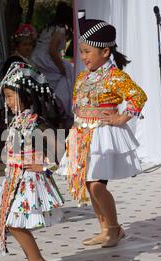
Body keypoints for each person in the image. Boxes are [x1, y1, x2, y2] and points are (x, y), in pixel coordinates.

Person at [58, 10, 148, 248]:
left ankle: (114, 229)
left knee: (97, 183)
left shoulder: (114, 77)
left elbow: (138, 96)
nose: (84, 56)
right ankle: (105, 229)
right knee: (89, 183)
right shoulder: (83, 77)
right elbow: (77, 103)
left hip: (102, 135)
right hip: (83, 134)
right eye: (82, 51)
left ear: (105, 51)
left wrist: (122, 117)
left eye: (88, 51)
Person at [0, 62, 64, 261]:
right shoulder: (17, 121)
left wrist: (45, 167)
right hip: (15, 179)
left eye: (10, 96)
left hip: (29, 181)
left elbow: (61, 151)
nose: (7, 102)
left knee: (14, 222)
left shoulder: (38, 124)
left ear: (26, 95)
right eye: (5, 97)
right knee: (10, 222)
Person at [31, 1, 75, 127]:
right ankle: (65, 107)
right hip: (45, 58)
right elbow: (52, 50)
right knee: (68, 73)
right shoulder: (60, 29)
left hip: (37, 57)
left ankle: (59, 106)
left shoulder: (49, 27)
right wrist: (61, 68)